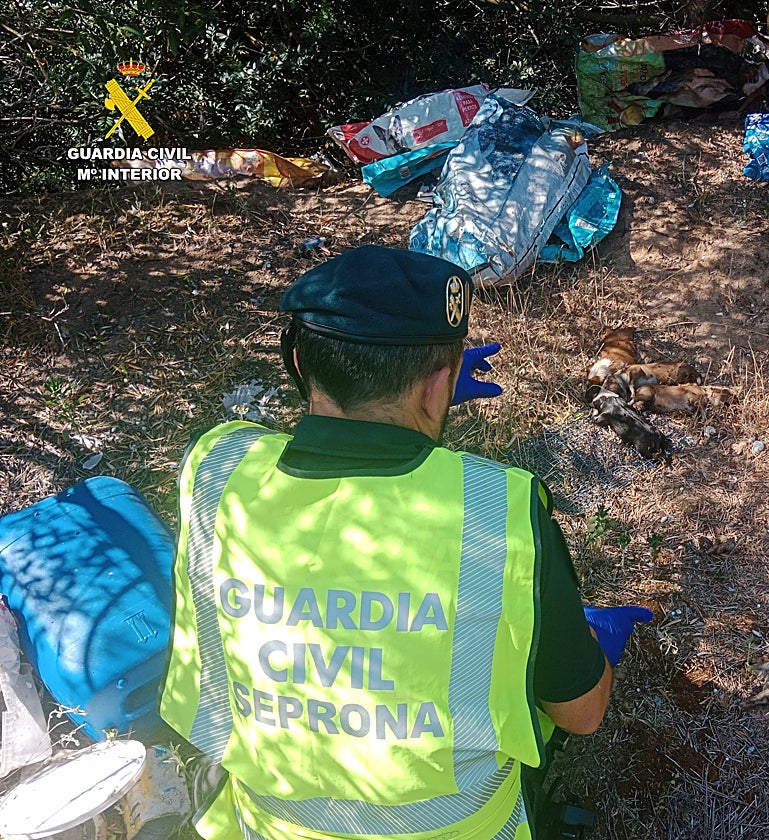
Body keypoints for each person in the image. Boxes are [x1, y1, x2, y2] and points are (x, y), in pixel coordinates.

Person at [160, 245, 652, 840]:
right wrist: (591, 645)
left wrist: (403, 406)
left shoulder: (216, 466)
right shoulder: (501, 508)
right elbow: (582, 714)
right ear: (439, 381)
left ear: (296, 360)